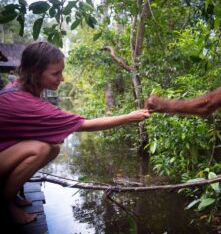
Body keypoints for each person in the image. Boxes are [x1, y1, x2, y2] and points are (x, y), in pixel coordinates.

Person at [0, 42, 150, 225]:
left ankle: (11, 192)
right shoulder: (24, 102)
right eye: (56, 73)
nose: (62, 78)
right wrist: (128, 117)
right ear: (35, 72)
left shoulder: (19, 86)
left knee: (52, 148)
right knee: (41, 149)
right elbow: (84, 125)